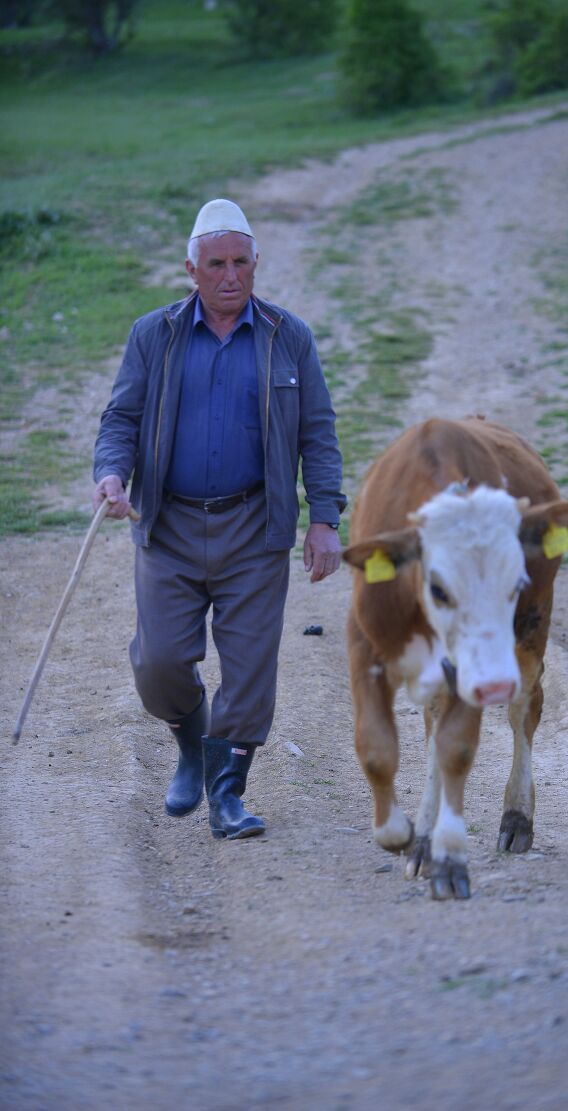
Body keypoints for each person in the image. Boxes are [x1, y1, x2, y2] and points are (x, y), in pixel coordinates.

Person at [93, 198, 345, 840]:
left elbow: (318, 432)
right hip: (168, 525)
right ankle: (189, 743)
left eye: (240, 262)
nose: (229, 276)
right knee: (159, 664)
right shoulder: (156, 334)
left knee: (250, 666)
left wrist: (324, 519)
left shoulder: (289, 336)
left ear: (256, 263)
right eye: (215, 264)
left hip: (254, 527)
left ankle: (228, 794)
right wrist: (111, 474)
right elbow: (120, 418)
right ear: (192, 268)